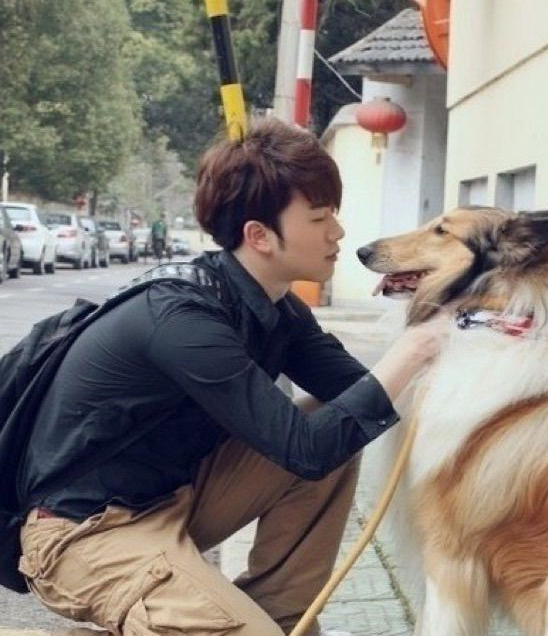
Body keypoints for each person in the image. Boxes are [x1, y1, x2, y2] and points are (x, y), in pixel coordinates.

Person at [16, 119, 448, 636]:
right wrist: (415, 345)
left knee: (338, 420)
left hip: (173, 502)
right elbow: (305, 449)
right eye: (319, 217)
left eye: (333, 214)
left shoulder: (277, 309)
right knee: (322, 435)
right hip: (83, 534)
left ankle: (279, 621)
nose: (337, 232)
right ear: (259, 236)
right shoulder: (182, 320)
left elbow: (359, 396)